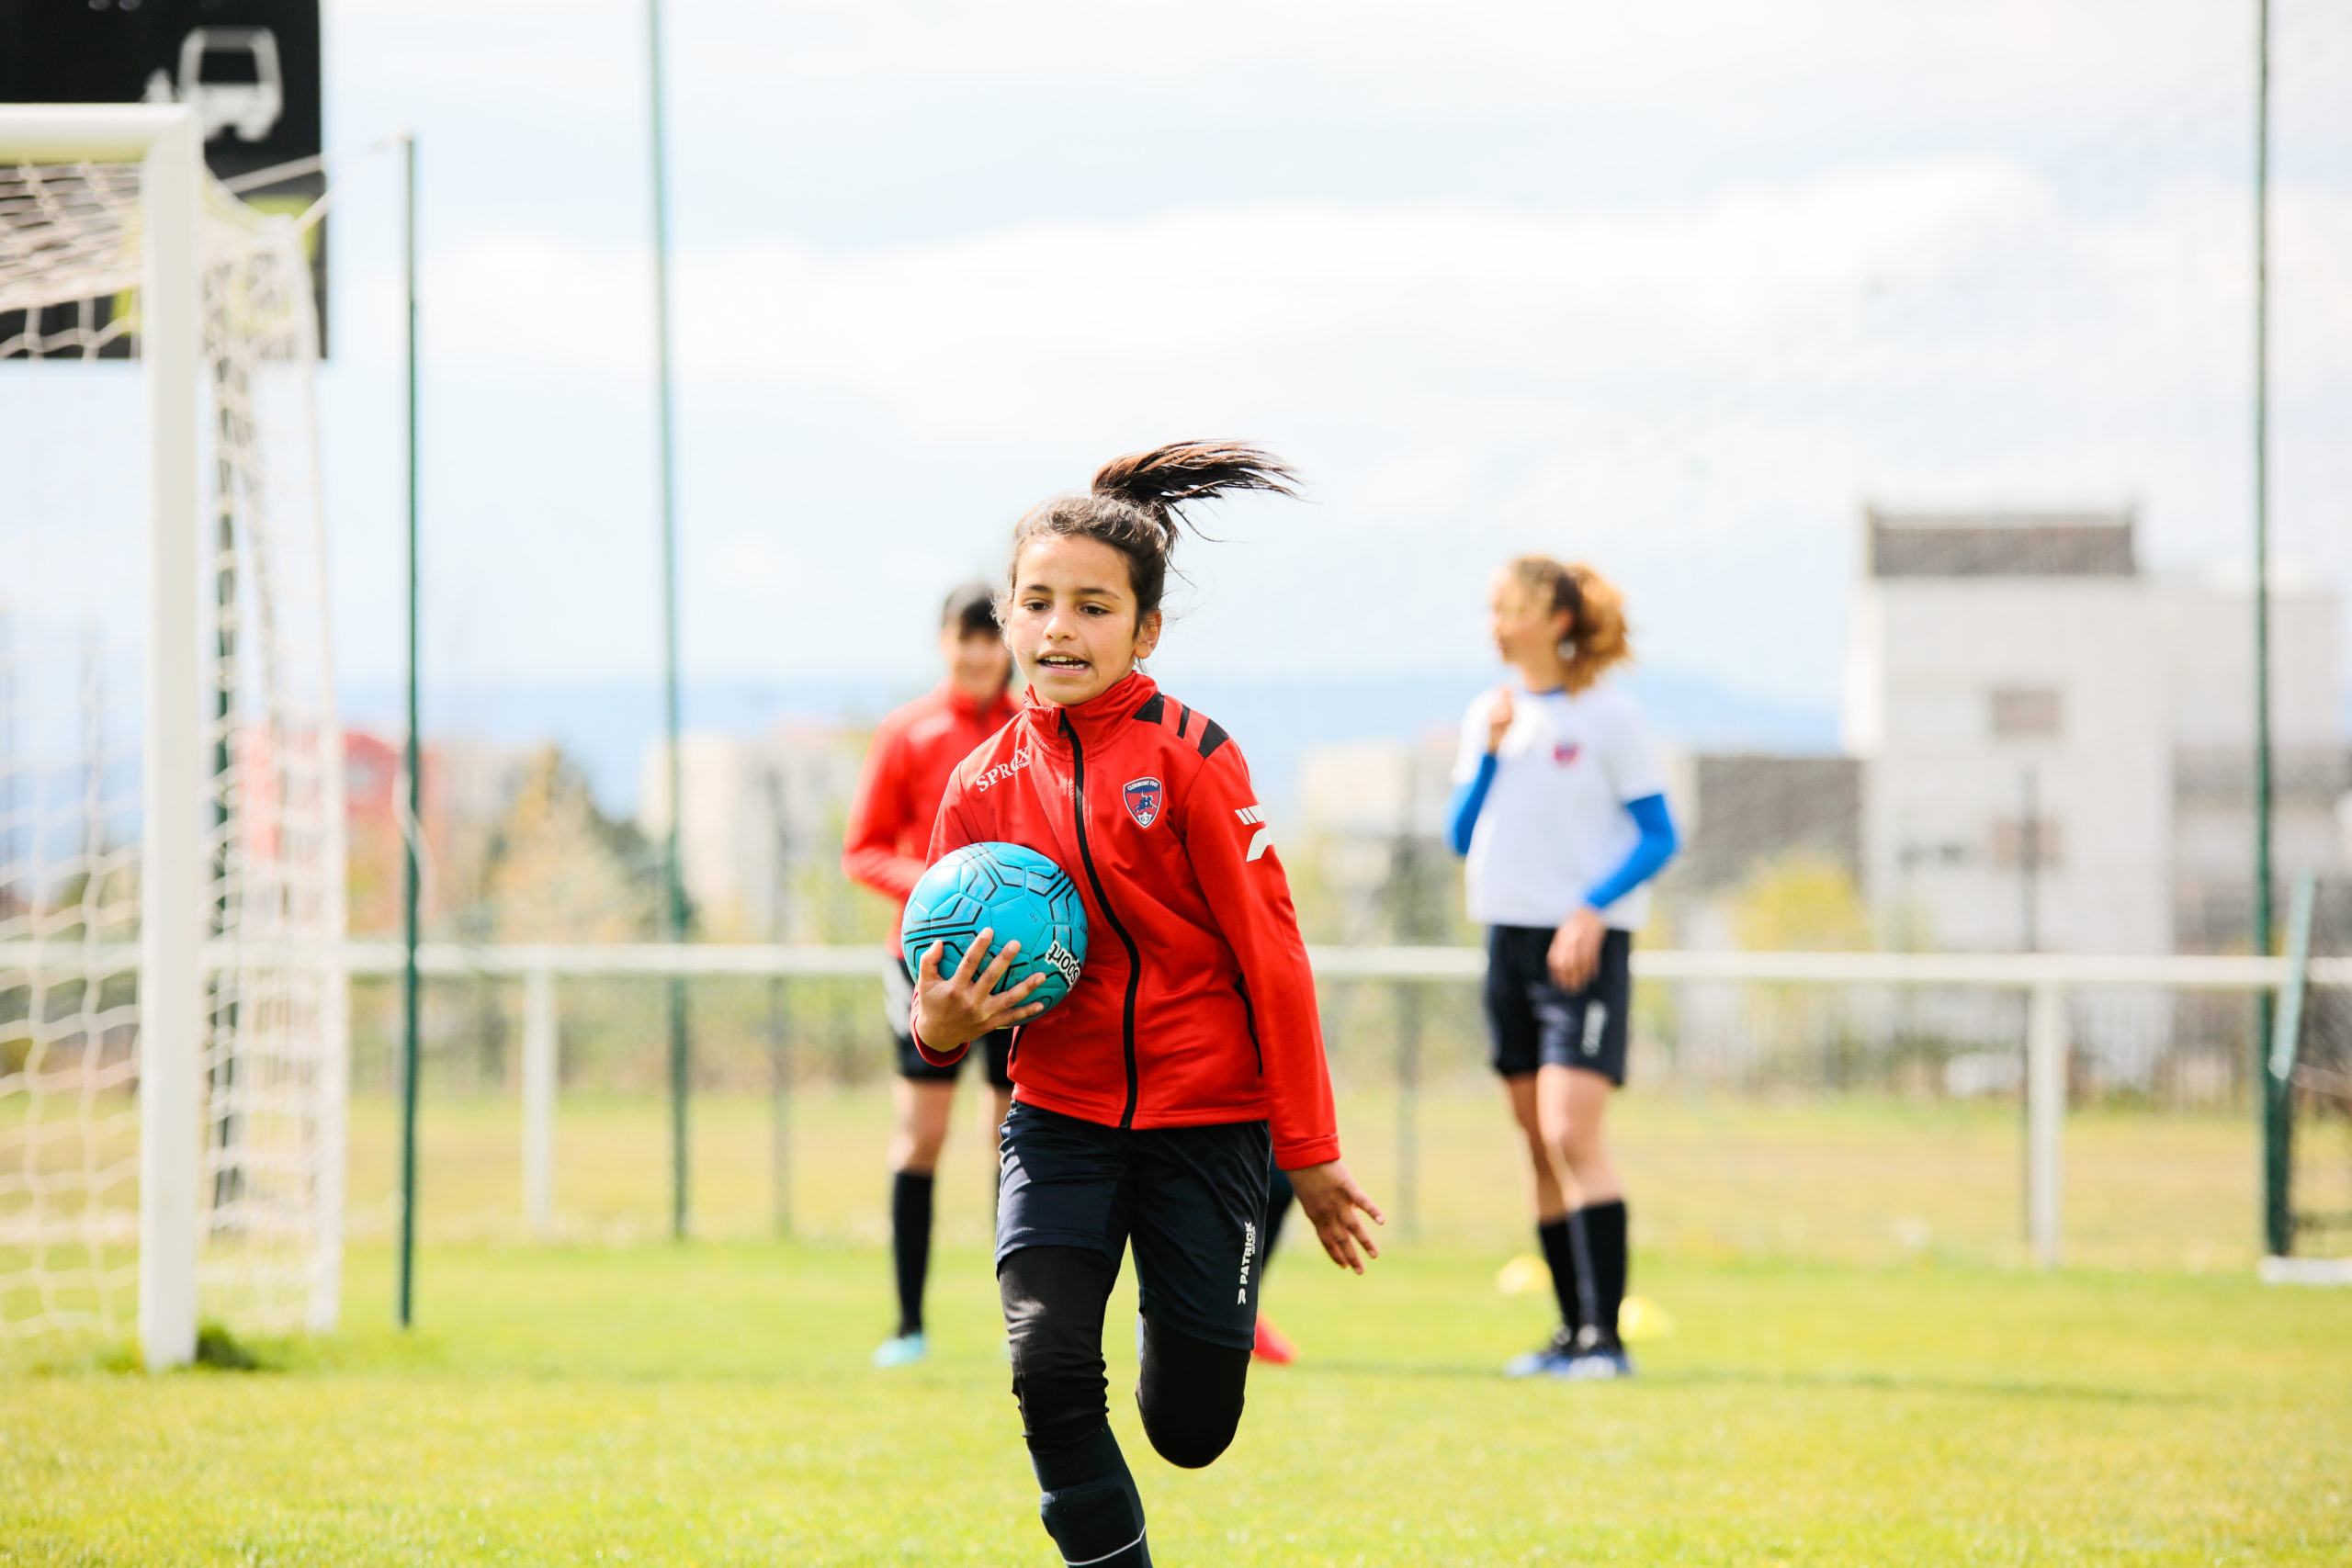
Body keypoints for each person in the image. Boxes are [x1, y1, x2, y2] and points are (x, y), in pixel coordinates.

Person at [908, 442, 1383, 1568]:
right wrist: (944, 1026)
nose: (1058, 628)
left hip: (1204, 1127)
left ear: (1145, 630)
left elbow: (1275, 961)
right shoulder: (977, 787)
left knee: (1190, 1430)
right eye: (1036, 603)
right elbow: (925, 996)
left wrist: (1308, 1154)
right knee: (1047, 1369)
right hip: (1059, 1117)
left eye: (1091, 606)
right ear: (1010, 619)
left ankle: (1177, 1314)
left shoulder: (1192, 760)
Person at [1447, 556, 1678, 1381]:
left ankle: (1607, 1339)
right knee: (1534, 1144)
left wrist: (1589, 909)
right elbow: (1460, 834)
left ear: (1558, 620)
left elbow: (1660, 834)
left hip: (1580, 947)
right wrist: (1491, 756)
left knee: (1569, 1131)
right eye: (1492, 607)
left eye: (1510, 607)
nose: (1496, 623)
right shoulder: (1492, 712)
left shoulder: (1609, 717)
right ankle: (1568, 1331)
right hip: (1505, 942)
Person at [842, 582, 1021, 1369]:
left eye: (993, 638)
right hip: (924, 964)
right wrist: (944, 887)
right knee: (922, 1137)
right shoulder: (907, 732)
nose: (980, 654)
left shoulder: (1035, 729)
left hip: (1016, 968)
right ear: (944, 641)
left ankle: (1023, 1321)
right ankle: (908, 1324)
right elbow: (862, 848)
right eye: (967, 637)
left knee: (1013, 1138)